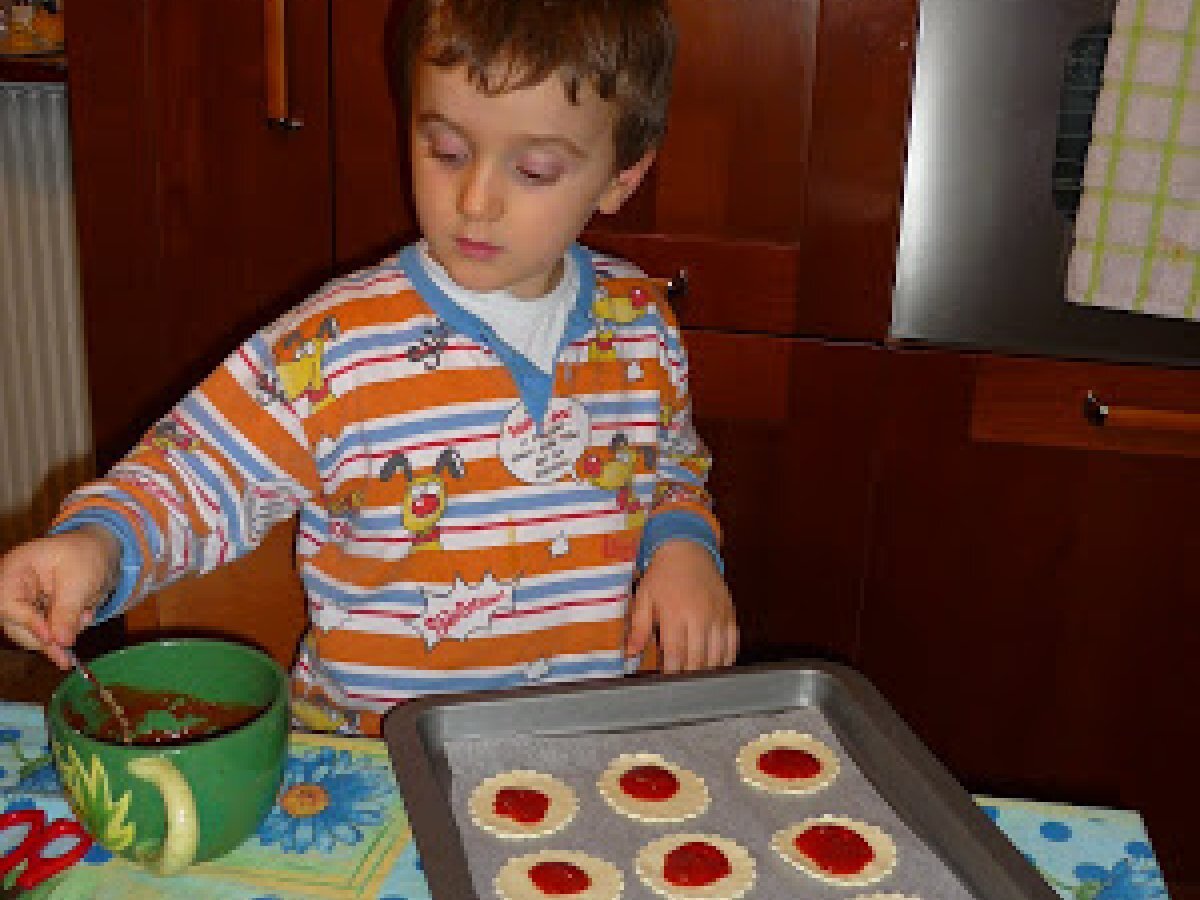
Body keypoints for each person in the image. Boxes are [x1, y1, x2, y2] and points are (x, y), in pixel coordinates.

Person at [0, 0, 736, 736]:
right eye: (445, 151)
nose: (476, 200)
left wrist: (681, 543)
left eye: (535, 169)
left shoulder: (642, 322)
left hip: (580, 747)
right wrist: (97, 544)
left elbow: (669, 462)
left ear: (622, 176)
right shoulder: (336, 344)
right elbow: (199, 474)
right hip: (375, 764)